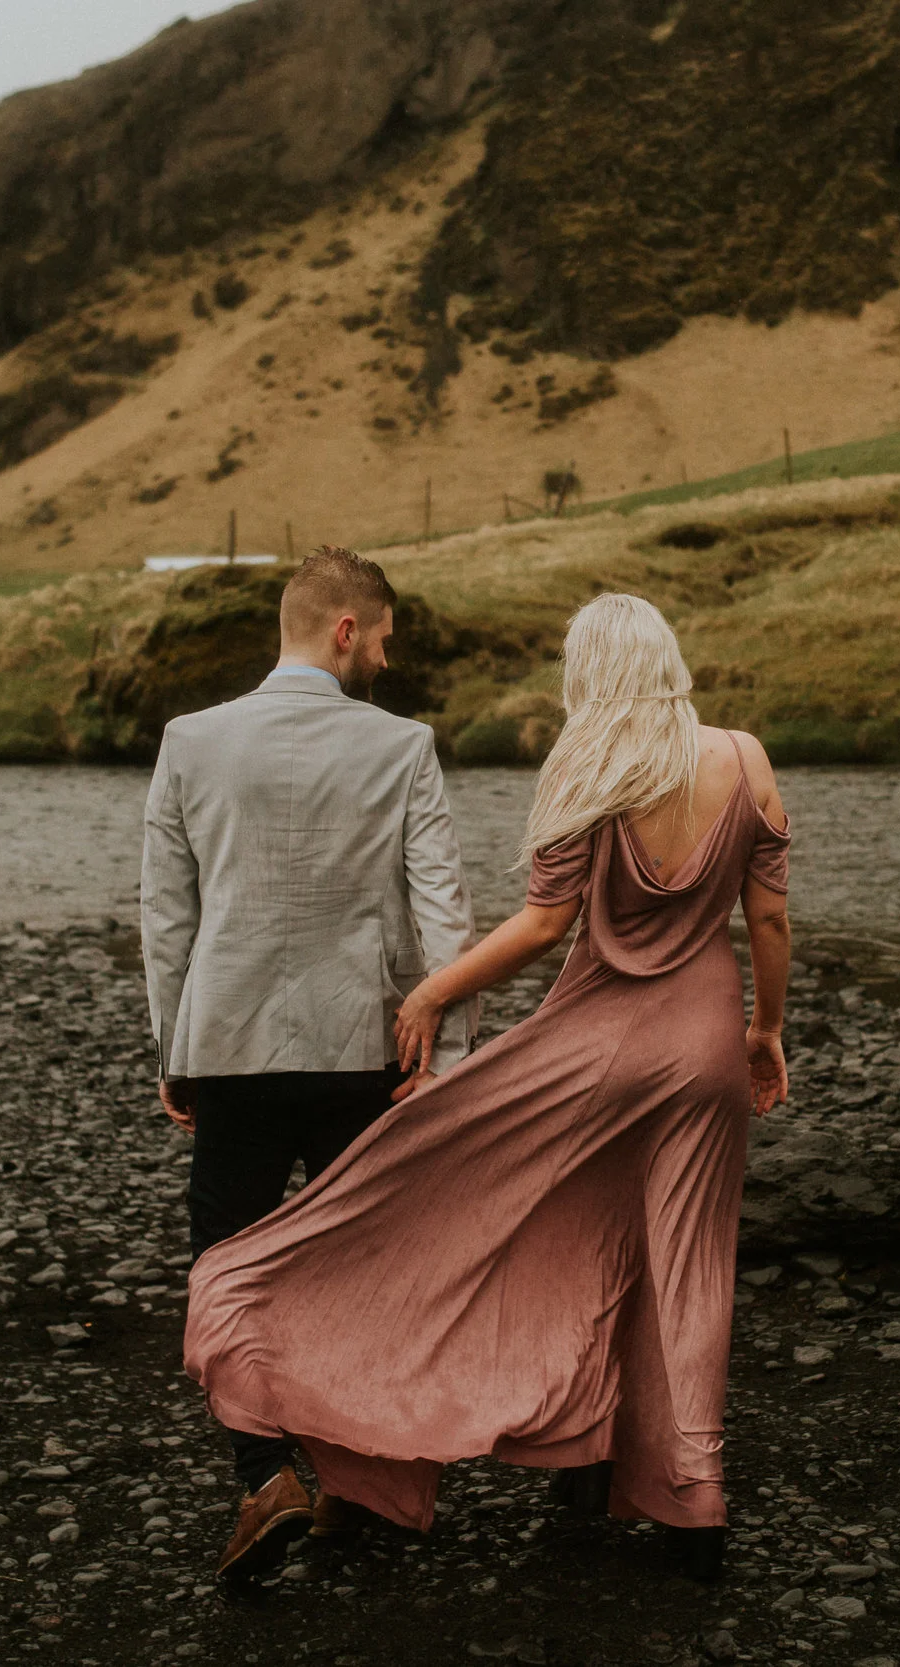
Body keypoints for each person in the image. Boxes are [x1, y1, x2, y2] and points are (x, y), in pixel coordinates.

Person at [184, 592, 791, 1584]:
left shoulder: (589, 767)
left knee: (477, 1198)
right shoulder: (747, 756)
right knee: (685, 1264)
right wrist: (763, 1030)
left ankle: (492, 1426)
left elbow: (542, 928)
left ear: (589, 670)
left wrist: (431, 988)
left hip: (597, 1047)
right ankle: (693, 1503)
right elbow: (769, 923)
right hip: (705, 1046)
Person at [139, 546, 477, 1586]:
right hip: (361, 1055)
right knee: (362, 1274)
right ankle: (354, 1485)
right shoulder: (404, 747)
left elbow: (167, 914)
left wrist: (173, 1048)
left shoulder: (191, 741)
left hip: (231, 1052)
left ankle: (263, 1475)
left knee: (227, 1266)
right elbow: (445, 909)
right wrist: (452, 1052)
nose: (386, 652)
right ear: (342, 628)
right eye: (381, 633)